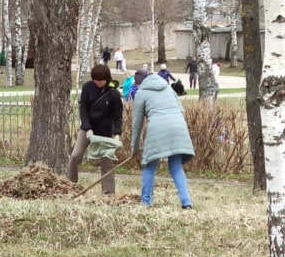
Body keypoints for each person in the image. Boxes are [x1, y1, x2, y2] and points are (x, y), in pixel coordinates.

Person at [130, 73, 195, 209]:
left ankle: (146, 202)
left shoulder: (141, 93)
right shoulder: (168, 89)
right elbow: (181, 111)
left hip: (157, 128)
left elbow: (137, 123)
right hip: (178, 126)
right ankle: (186, 202)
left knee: (149, 165)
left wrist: (134, 147)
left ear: (138, 83)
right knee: (176, 167)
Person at [68, 64, 124, 195]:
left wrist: (117, 133)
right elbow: (84, 109)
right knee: (75, 156)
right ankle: (71, 185)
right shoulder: (88, 88)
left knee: (106, 162)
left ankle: (108, 192)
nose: (98, 83)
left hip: (105, 132)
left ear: (107, 79)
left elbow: (117, 116)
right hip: (87, 130)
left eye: (101, 80)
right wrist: (87, 128)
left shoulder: (113, 94)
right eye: (96, 80)